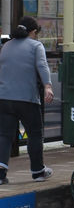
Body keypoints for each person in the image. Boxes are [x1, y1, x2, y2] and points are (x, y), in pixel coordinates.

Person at [0, 16, 53, 184]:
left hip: (5, 98)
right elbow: (42, 66)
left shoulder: (7, 46)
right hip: (27, 99)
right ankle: (38, 171)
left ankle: (1, 175)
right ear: (33, 31)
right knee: (35, 134)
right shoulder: (36, 45)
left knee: (4, 136)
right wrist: (48, 86)